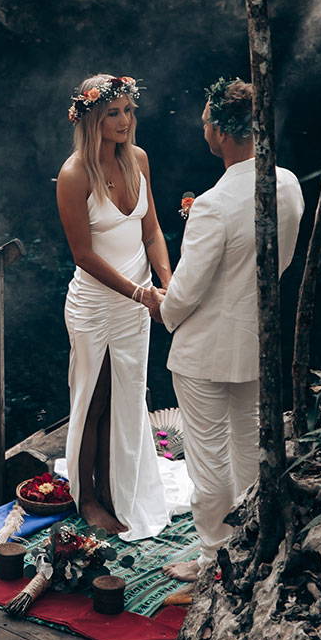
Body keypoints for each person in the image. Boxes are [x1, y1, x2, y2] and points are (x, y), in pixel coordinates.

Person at [151, 78, 303, 582]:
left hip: (205, 352)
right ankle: (255, 537)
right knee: (250, 448)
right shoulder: (287, 184)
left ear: (218, 132)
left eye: (205, 124)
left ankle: (215, 555)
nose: (203, 131)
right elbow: (275, 263)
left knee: (208, 458)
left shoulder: (213, 205)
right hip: (257, 341)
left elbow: (188, 290)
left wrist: (161, 306)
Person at [55, 73, 191, 541]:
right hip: (96, 305)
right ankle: (87, 498)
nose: (125, 120)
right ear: (91, 116)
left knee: (128, 397)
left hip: (140, 302)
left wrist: (166, 283)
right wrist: (138, 293)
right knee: (93, 398)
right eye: (114, 112)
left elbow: (151, 230)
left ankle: (117, 489)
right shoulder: (75, 174)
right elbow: (83, 255)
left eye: (129, 111)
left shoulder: (139, 160)